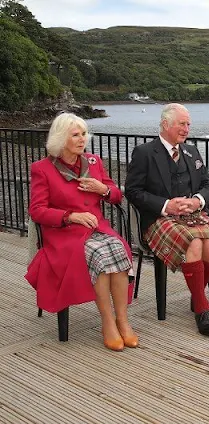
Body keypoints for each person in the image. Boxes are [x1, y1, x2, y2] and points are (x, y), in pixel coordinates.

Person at [26, 113, 138, 352]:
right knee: (100, 255)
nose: (82, 139)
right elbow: (37, 211)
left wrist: (103, 189)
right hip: (65, 235)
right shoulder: (43, 169)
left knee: (118, 250)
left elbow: (117, 195)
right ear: (60, 138)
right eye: (75, 135)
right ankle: (108, 323)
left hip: (96, 228)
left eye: (84, 134)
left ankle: (123, 320)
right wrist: (70, 216)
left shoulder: (94, 162)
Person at [124, 103, 209, 337]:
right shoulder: (144, 153)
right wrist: (166, 205)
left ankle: (197, 295)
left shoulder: (192, 151)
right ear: (165, 125)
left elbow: (208, 184)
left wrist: (197, 201)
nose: (186, 129)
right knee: (193, 242)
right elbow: (132, 191)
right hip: (158, 219)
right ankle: (202, 310)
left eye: (188, 124)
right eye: (182, 124)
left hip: (192, 214)